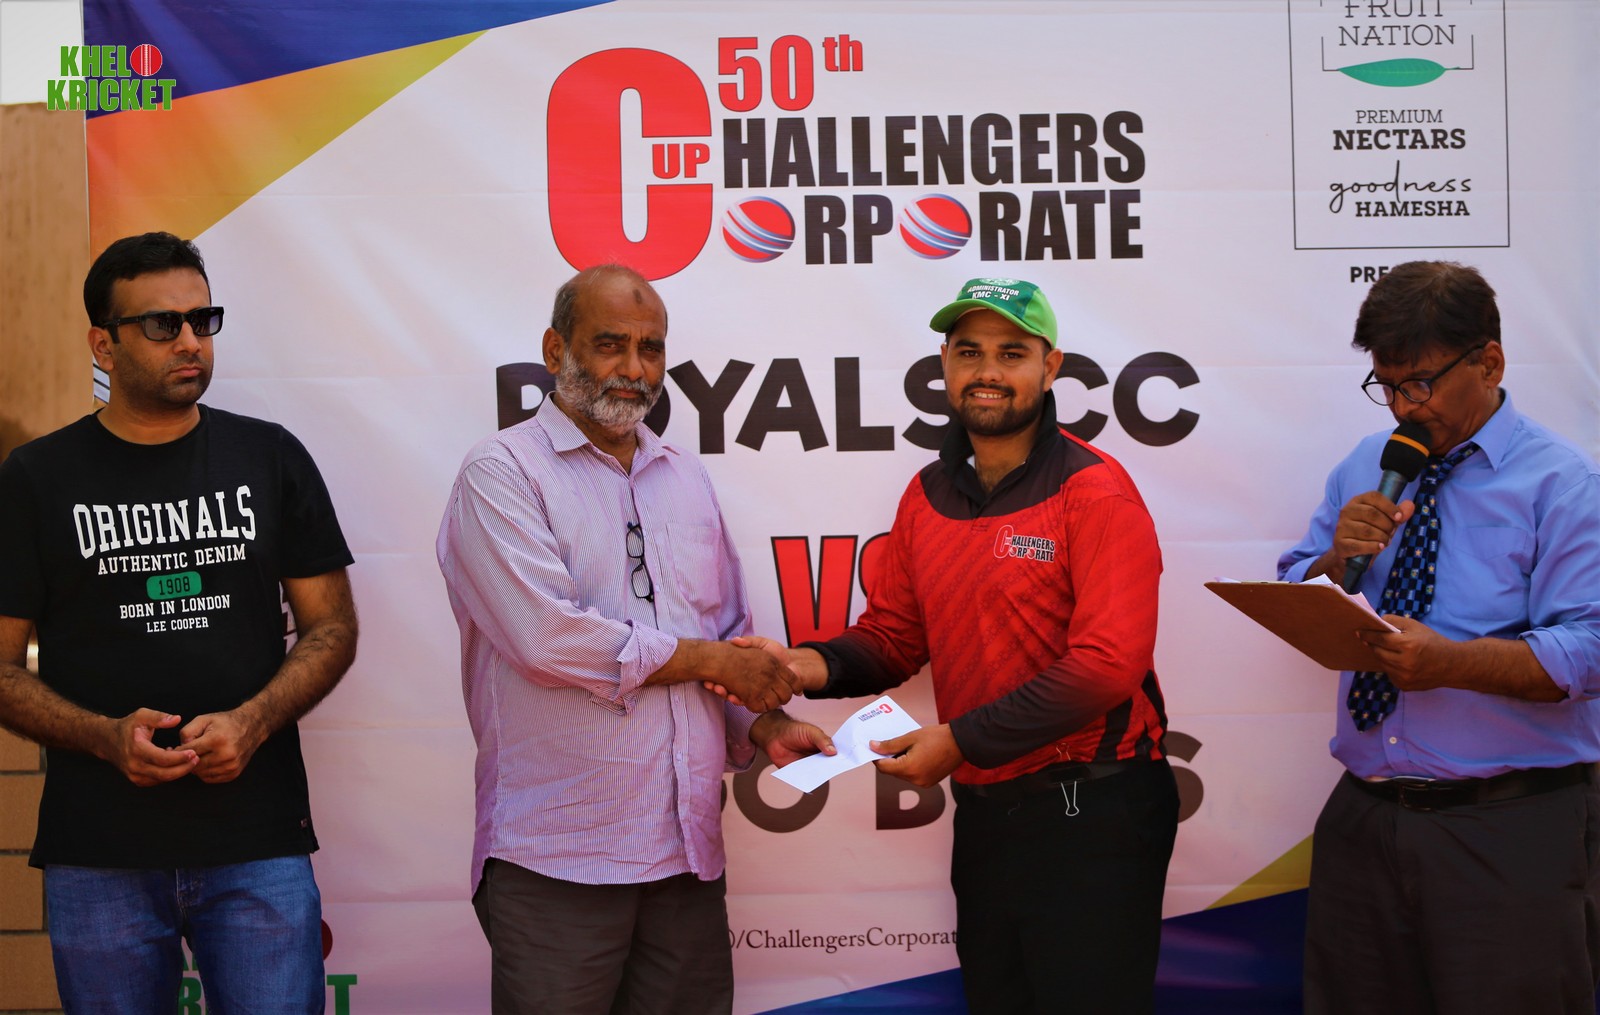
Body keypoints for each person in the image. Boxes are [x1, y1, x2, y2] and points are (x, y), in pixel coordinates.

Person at [733, 277, 1179, 1013]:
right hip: (986, 811)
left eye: (1012, 353)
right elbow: (893, 637)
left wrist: (961, 740)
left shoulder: (1094, 492)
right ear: (944, 364)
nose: (988, 372)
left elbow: (1107, 665)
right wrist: (798, 665)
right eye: (969, 352)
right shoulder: (928, 493)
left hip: (1095, 809)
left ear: (1050, 366)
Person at [435, 263, 833, 1014]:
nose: (634, 368)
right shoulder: (500, 472)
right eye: (610, 343)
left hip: (685, 856)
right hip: (558, 860)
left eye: (651, 349)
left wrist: (762, 722)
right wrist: (712, 661)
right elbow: (546, 637)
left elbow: (726, 633)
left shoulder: (684, 476)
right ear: (555, 350)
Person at [0, 232, 359, 1012]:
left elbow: (332, 627)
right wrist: (104, 737)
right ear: (104, 343)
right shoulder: (35, 478)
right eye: (163, 324)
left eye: (204, 319)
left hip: (256, 839)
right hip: (100, 849)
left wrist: (253, 721)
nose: (191, 341)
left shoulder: (269, 457)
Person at [1278, 261, 1600, 1013]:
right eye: (1386, 385)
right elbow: (1298, 583)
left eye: (1419, 383)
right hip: (1364, 818)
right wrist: (1334, 561)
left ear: (1489, 363)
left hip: (1509, 826)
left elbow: (1589, 650)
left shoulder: (1563, 483)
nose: (1402, 406)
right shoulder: (1369, 464)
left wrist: (1450, 663)